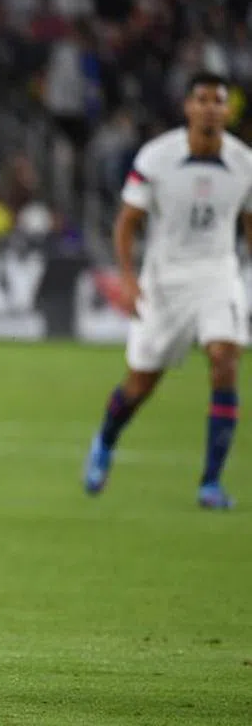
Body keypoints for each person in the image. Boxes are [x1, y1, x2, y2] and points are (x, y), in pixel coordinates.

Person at [83, 71, 252, 509]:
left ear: (229, 110)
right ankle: (105, 440)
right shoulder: (156, 158)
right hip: (165, 280)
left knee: (224, 358)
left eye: (219, 100)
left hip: (218, 273)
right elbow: (127, 222)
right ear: (188, 108)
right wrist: (128, 277)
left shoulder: (245, 163)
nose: (211, 107)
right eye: (203, 99)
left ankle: (210, 483)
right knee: (140, 383)